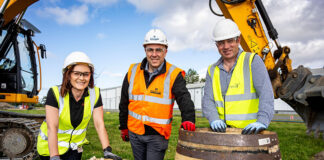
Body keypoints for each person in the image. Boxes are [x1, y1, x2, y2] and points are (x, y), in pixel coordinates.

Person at [119, 29, 196, 160]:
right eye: (150, 50)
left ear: (165, 51)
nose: (154, 54)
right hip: (135, 132)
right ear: (145, 50)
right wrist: (123, 127)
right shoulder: (132, 71)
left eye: (158, 50)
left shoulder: (173, 74)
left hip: (157, 135)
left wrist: (188, 118)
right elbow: (124, 101)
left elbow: (184, 98)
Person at [37, 51, 121, 160]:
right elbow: (52, 128)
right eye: (76, 73)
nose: (81, 78)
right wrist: (54, 157)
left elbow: (99, 124)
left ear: (90, 76)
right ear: (68, 75)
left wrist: (107, 150)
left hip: (75, 149)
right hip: (50, 150)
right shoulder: (55, 93)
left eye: (86, 74)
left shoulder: (94, 94)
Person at [202, 19, 274, 135]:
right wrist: (214, 118)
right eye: (221, 43)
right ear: (217, 45)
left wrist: (262, 121)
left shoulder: (252, 61)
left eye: (230, 41)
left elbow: (266, 94)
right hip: (222, 133)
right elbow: (208, 100)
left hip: (249, 133)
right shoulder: (212, 69)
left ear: (238, 40)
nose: (226, 47)